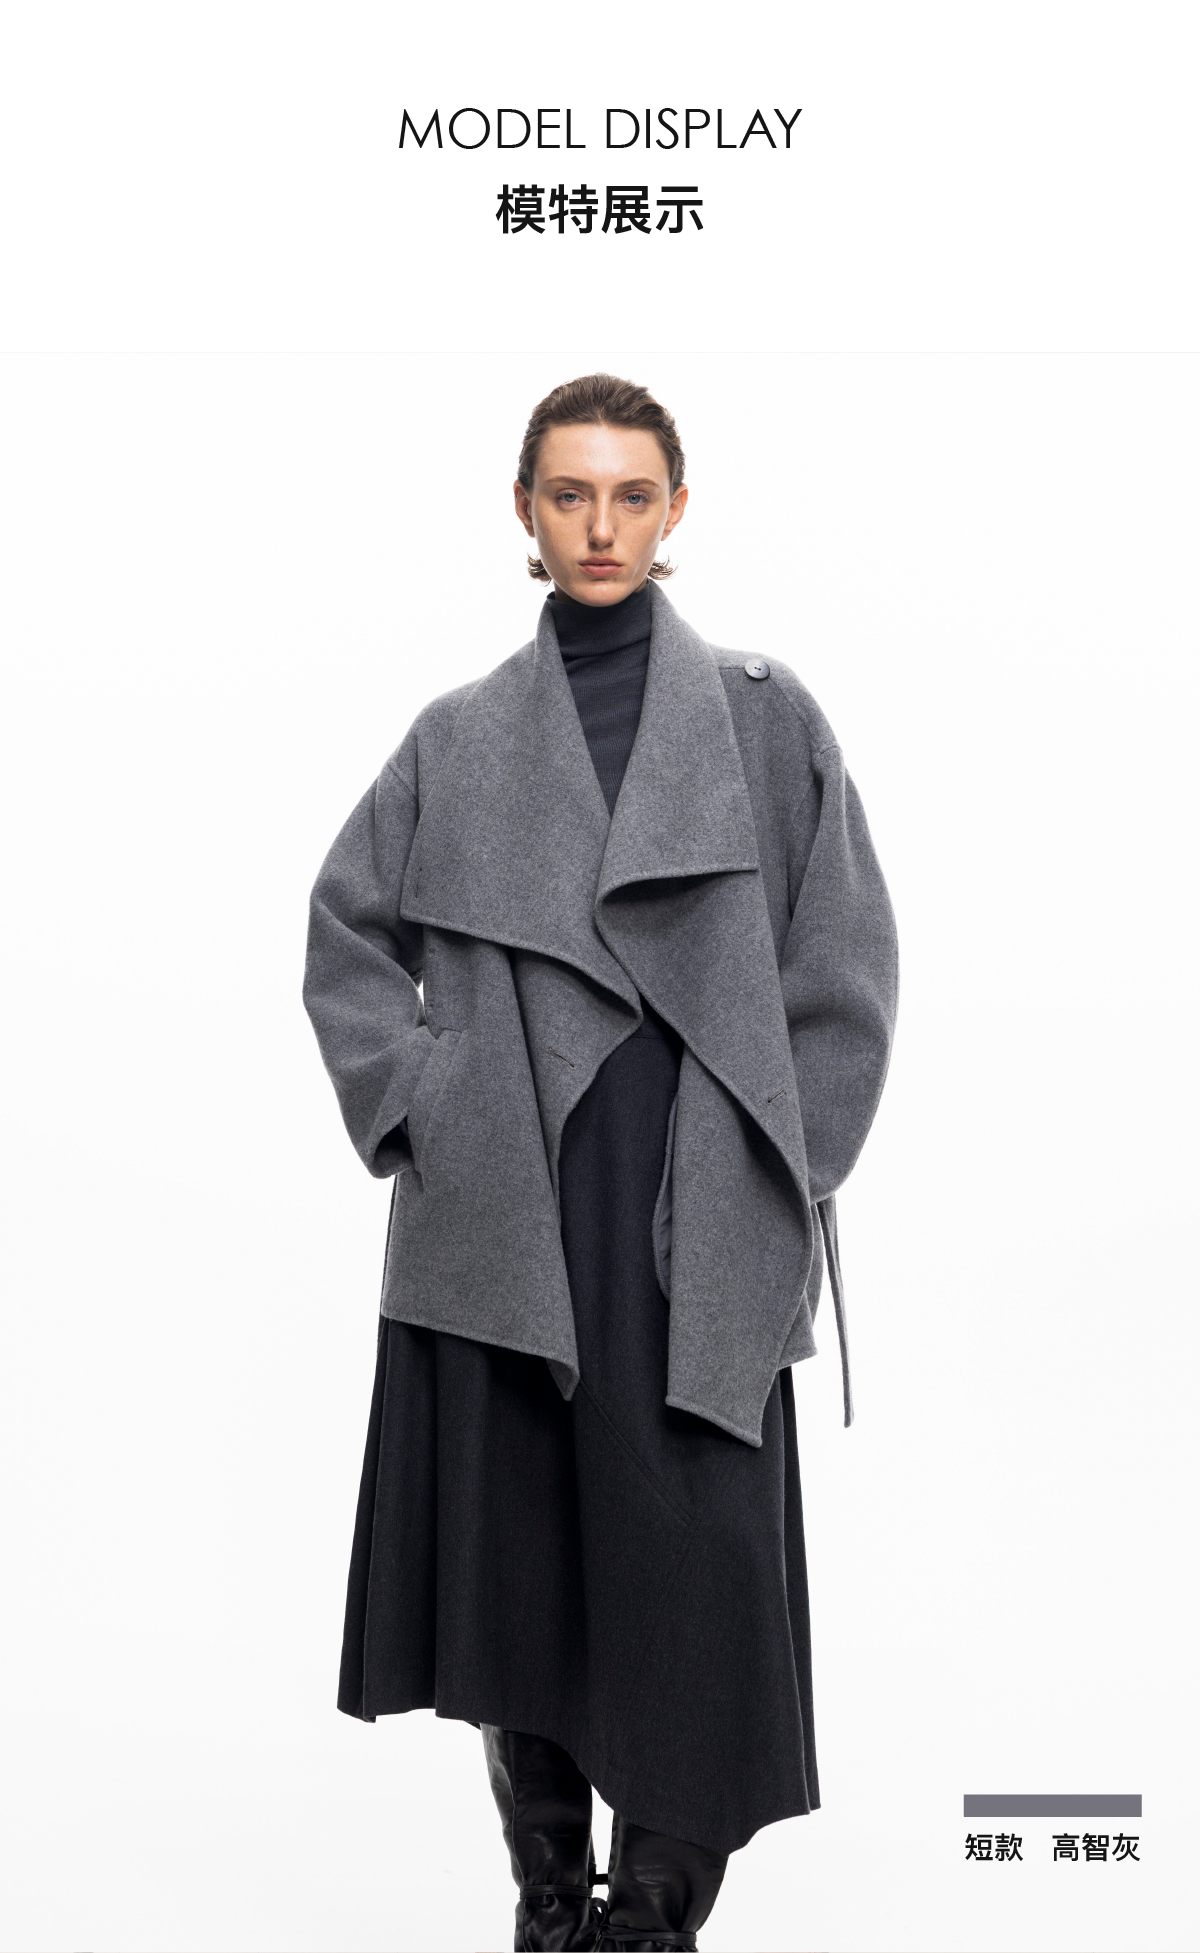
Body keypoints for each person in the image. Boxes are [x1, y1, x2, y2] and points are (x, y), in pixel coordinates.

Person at [303, 373, 899, 1951]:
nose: (600, 526)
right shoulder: (459, 736)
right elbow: (346, 931)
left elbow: (843, 972)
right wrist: (426, 1105)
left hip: (697, 1216)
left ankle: (651, 1927)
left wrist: (784, 1164)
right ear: (526, 508)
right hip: (505, 1215)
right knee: (527, 1576)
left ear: (676, 508)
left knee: (693, 1574)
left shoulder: (765, 720)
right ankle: (552, 1915)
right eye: (570, 493)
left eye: (632, 495)